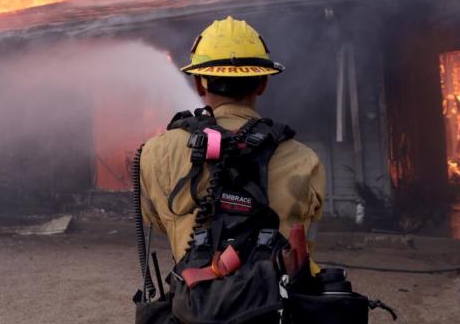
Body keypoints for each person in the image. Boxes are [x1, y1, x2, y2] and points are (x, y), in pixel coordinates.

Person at [139, 16, 326, 271]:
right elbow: (305, 241)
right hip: (278, 295)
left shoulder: (156, 152)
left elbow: (159, 221)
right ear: (262, 83)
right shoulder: (305, 160)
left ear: (199, 84)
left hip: (195, 293)